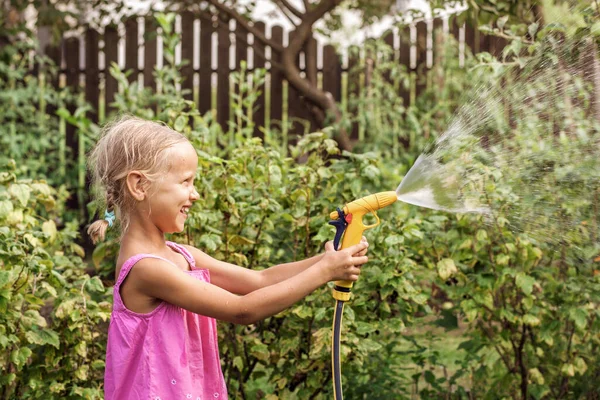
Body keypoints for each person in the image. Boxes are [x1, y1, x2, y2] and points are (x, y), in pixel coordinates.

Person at [86, 116, 369, 400]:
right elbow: (242, 310)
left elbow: (260, 280)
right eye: (185, 182)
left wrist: (328, 259)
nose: (195, 194)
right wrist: (325, 271)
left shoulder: (181, 255)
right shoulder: (146, 270)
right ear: (140, 186)